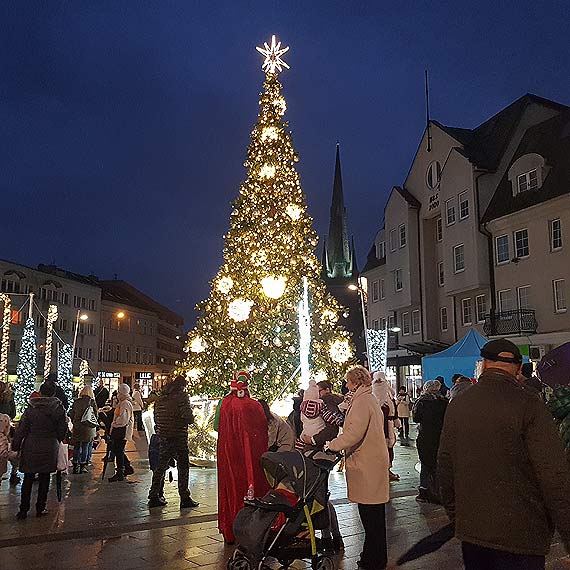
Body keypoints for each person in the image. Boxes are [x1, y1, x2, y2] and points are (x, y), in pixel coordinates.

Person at [438, 339, 570, 570]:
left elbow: (445, 466)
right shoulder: (529, 404)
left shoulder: (459, 404)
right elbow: (553, 475)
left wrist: (457, 516)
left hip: (473, 532)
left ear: (485, 364)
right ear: (519, 369)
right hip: (521, 533)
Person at [327, 365, 390, 570]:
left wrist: (332, 445)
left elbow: (354, 433)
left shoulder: (363, 401)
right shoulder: (367, 399)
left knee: (371, 517)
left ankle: (374, 560)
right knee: (374, 517)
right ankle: (374, 556)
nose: (346, 385)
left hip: (367, 465)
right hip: (371, 463)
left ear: (355, 382)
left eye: (348, 381)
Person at [216, 370, 269, 544]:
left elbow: (217, 426)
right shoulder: (255, 405)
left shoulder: (223, 403)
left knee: (230, 487)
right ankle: (254, 529)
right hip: (250, 456)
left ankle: (230, 530)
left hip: (229, 453)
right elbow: (263, 431)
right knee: (251, 486)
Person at [12, 382, 68, 519]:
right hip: (49, 445)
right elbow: (63, 429)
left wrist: (16, 446)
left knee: (28, 478)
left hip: (31, 445)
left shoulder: (31, 407)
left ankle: (23, 510)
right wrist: (57, 438)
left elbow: (22, 429)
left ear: (40, 392)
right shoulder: (58, 408)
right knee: (44, 478)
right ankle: (40, 507)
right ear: (53, 393)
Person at [147, 375, 199, 508]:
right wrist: (191, 416)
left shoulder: (161, 399)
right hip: (178, 436)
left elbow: (156, 418)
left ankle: (153, 495)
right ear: (182, 386)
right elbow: (188, 417)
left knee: (160, 467)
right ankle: (184, 497)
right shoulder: (181, 397)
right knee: (183, 467)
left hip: (164, 436)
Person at [413, 380, 447, 503]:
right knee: (437, 464)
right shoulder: (444, 401)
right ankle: (438, 491)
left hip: (425, 437)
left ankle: (424, 491)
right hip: (439, 436)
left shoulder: (421, 401)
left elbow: (416, 418)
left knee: (425, 463)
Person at [372, 371, 400, 481]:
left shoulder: (389, 399)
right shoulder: (370, 398)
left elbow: (393, 411)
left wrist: (396, 420)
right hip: (375, 429)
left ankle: (387, 470)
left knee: (389, 449)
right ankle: (378, 471)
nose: (379, 383)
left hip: (388, 428)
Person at [108, 383, 134, 482]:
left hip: (121, 431)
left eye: (119, 391)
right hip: (121, 431)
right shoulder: (122, 402)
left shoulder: (125, 403)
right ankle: (127, 467)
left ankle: (120, 472)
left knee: (118, 451)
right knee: (118, 450)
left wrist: (115, 423)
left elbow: (123, 419)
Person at [69, 386, 98, 474]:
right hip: (88, 427)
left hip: (78, 426)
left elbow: (71, 413)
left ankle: (75, 466)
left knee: (77, 446)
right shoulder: (92, 402)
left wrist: (75, 422)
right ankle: (82, 466)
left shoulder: (76, 402)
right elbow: (95, 415)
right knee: (85, 446)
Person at [0, 380, 20, 485]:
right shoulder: (9, 400)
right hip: (5, 431)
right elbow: (13, 413)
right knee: (10, 452)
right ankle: (13, 473)